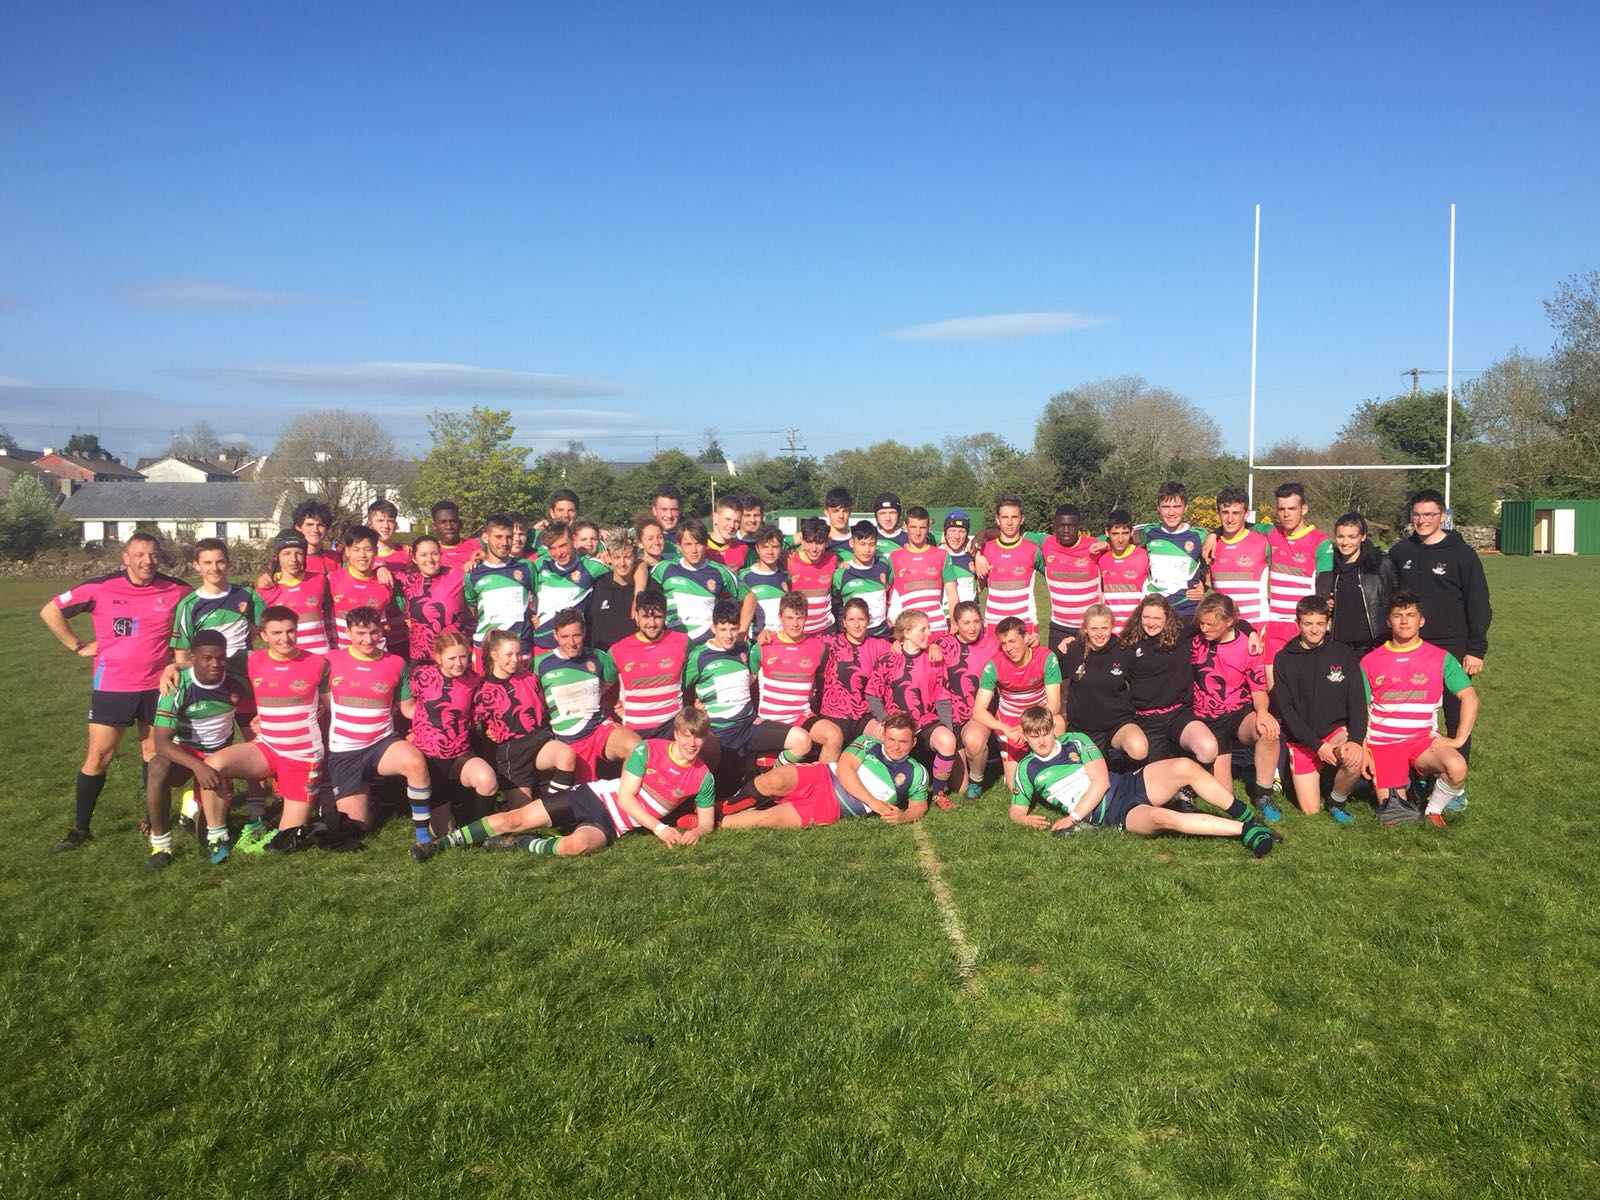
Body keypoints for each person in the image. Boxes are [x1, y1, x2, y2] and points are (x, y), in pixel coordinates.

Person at [42, 531, 193, 852]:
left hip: (158, 687)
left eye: (152, 555)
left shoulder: (177, 589)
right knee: (98, 757)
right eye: (139, 555)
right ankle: (81, 828)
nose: (147, 561)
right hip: (113, 687)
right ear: (125, 558)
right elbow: (50, 610)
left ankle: (152, 821)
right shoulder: (100, 587)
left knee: (153, 756)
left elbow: (199, 615)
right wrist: (78, 645)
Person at [426, 708, 715, 857]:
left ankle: (522, 844)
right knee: (513, 818)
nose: (692, 743)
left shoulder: (704, 777)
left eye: (698, 737)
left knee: (573, 848)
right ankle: (441, 845)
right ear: (677, 734)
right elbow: (626, 798)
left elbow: (707, 823)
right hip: (591, 797)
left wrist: (698, 833)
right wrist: (661, 828)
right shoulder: (649, 749)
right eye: (686, 735)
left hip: (611, 825)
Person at [1008, 708, 1274, 857]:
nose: (1041, 740)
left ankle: (1248, 816)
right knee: (1163, 818)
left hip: (1126, 784)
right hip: (1115, 813)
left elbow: (1101, 782)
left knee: (1185, 766)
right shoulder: (1026, 769)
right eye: (1034, 736)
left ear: (1054, 730)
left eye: (1045, 733)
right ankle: (1245, 830)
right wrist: (1024, 820)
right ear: (1026, 737)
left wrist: (1073, 818)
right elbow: (1016, 810)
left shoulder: (1075, 740)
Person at [206, 605, 329, 846]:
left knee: (286, 839)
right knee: (212, 766)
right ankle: (217, 836)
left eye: (291, 631)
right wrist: (173, 667)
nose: (285, 638)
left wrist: (321, 710)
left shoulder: (317, 662)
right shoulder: (251, 659)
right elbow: (210, 663)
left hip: (303, 755)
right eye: (277, 633)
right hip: (267, 746)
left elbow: (331, 705)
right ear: (263, 635)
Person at [1361, 591, 1478, 829]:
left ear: (1421, 620)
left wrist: (1459, 739)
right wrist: (1364, 747)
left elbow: (1470, 697)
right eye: (1398, 615)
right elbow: (1361, 709)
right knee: (1394, 818)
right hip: (1384, 744)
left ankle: (1433, 810)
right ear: (1388, 621)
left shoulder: (1440, 657)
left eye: (1411, 615)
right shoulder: (1370, 661)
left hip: (1421, 742)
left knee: (1457, 767)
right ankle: (1407, 784)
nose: (1404, 621)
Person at [1388, 488, 1490, 760]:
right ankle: (1415, 772)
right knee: (1409, 712)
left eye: (1429, 515)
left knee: (1455, 713)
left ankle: (1454, 783)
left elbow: (1478, 603)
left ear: (1442, 516)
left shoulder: (1462, 555)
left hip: (1451, 645)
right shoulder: (1400, 552)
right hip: (1411, 645)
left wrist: (1476, 649)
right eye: (1417, 515)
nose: (1422, 520)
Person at [323, 606, 433, 852]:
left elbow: (408, 708)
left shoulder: (395, 663)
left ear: (381, 631)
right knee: (359, 826)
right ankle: (373, 802)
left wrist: (438, 716)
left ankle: (424, 836)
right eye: (361, 632)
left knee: (415, 761)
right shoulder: (330, 660)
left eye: (373, 632)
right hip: (345, 751)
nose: (368, 639)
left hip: (382, 744)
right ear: (348, 631)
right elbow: (314, 697)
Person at [685, 600, 813, 796]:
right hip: (721, 733)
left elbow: (756, 670)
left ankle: (771, 779)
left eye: (733, 629)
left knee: (802, 741)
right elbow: (681, 689)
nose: (729, 635)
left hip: (750, 725)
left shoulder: (744, 648)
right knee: (727, 793)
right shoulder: (699, 656)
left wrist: (764, 634)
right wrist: (693, 708)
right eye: (723, 629)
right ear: (713, 628)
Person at [720, 712, 930, 831]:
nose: (895, 746)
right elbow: (845, 770)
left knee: (766, 819)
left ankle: (717, 822)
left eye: (903, 742)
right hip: (822, 776)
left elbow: (919, 806)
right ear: (883, 735)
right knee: (774, 778)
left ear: (913, 742)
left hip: (833, 807)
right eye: (891, 739)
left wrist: (903, 817)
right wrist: (873, 802)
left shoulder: (917, 772)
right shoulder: (867, 742)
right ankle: (720, 807)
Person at [147, 631, 243, 867]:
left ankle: (192, 803)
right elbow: (161, 743)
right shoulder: (177, 686)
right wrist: (198, 766)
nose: (215, 664)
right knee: (157, 766)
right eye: (207, 658)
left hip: (218, 758)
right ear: (192, 657)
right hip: (184, 755)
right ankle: (161, 845)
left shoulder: (235, 678)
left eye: (221, 658)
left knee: (204, 839)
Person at [1272, 597, 1367, 824]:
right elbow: (1287, 711)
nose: (1314, 630)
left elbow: (1357, 702)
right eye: (1308, 624)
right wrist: (1318, 746)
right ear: (1298, 623)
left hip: (1335, 731)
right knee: (1311, 811)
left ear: (1328, 623)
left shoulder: (1343, 654)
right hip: (1303, 740)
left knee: (1354, 757)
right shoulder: (1283, 659)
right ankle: (1307, 774)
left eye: (1320, 624)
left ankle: (1336, 800)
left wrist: (1355, 739)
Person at [1190, 592, 1281, 817]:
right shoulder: (1194, 638)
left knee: (1267, 731)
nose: (1204, 628)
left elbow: (1258, 689)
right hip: (1205, 718)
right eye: (1201, 622)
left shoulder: (1248, 646)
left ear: (1229, 622)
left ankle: (1263, 793)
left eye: (1211, 624)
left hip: (1237, 713)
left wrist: (1262, 713)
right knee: (1224, 799)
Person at [402, 631, 497, 834]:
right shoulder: (422, 676)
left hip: (459, 753)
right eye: (452, 658)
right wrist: (415, 730)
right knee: (444, 831)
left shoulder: (474, 680)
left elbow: (481, 711)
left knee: (487, 780)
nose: (458, 663)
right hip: (430, 759)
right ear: (438, 657)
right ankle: (449, 807)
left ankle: (479, 832)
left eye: (463, 656)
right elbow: (407, 707)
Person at [472, 628, 576, 807]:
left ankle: (553, 807)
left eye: (518, 654)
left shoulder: (529, 677)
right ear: (494, 655)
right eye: (509, 654)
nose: (516, 659)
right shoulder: (483, 690)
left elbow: (543, 707)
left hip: (538, 740)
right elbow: (473, 724)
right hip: (513, 753)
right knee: (524, 815)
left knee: (566, 755)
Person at [534, 609, 638, 782]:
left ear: (584, 632)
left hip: (599, 729)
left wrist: (620, 702)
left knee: (635, 746)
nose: (572, 642)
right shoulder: (541, 663)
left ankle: (625, 800)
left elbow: (613, 682)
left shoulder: (598, 657)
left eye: (576, 635)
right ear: (555, 635)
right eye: (565, 637)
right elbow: (532, 697)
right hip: (569, 741)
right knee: (586, 794)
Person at [868, 610, 959, 805]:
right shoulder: (888, 660)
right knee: (874, 740)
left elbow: (943, 697)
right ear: (906, 633)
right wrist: (883, 719)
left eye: (929, 629)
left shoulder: (934, 659)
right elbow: (873, 694)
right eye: (923, 629)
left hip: (924, 721)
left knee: (948, 741)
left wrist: (946, 727)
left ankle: (937, 792)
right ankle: (886, 788)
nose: (929, 634)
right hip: (895, 722)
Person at [967, 616, 1063, 791]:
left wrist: (1026, 726)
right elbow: (978, 711)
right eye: (1003, 643)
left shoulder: (1046, 657)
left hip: (1039, 717)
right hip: (1010, 725)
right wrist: (1004, 728)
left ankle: (1057, 767)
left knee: (1059, 723)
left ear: (1026, 638)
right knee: (1015, 788)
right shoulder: (994, 665)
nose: (1008, 648)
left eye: (1012, 641)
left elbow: (1054, 704)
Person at [1121, 595, 1216, 767]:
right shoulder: (1129, 642)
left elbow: (1219, 616)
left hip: (1179, 714)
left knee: (1208, 749)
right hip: (1147, 720)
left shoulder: (1183, 631)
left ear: (1167, 617)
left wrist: (1250, 632)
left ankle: (1187, 791)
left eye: (1157, 618)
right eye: (1146, 617)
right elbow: (1100, 645)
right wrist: (1071, 643)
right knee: (1156, 783)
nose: (1151, 623)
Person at [751, 592, 845, 762]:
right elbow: (746, 685)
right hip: (771, 719)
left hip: (801, 716)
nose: (795, 623)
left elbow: (823, 682)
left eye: (799, 618)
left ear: (806, 618)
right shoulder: (764, 645)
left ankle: (821, 783)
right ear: (780, 617)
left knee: (834, 735)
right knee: (781, 776)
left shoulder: (819, 647)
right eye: (789, 618)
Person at [1057, 602, 1149, 765]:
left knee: (1139, 748)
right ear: (1085, 628)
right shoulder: (1071, 650)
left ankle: (1129, 777)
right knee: (1093, 771)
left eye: (1104, 628)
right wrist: (1064, 717)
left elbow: (1139, 685)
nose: (1099, 634)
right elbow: (1062, 689)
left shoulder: (1123, 650)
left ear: (1112, 627)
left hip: (1118, 722)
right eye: (1094, 629)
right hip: (1084, 727)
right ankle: (1109, 759)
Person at [1259, 482, 1332, 665]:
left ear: (1304, 509)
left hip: (1301, 626)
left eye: (1292, 508)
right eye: (1281, 509)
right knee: (1274, 689)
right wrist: (1214, 534)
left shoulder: (1320, 542)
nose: (1286, 514)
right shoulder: (1270, 532)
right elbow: (1238, 525)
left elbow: (1322, 592)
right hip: (1274, 624)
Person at [936, 601, 1000, 798]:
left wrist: (1030, 639)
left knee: (973, 741)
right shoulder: (942, 645)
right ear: (955, 623)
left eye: (976, 622)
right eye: (966, 623)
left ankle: (977, 781)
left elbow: (1016, 648)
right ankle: (978, 768)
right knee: (958, 788)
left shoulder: (992, 644)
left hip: (977, 713)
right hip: (950, 716)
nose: (972, 628)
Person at [609, 589, 691, 739]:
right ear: (636, 617)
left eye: (657, 617)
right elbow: (603, 687)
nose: (652, 624)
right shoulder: (618, 650)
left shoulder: (683, 642)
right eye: (646, 616)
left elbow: (699, 673)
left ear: (665, 616)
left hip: (672, 727)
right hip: (635, 732)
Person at [1314, 512, 1398, 655]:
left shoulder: (1380, 563)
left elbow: (1395, 599)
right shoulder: (1330, 565)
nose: (1345, 542)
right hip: (1338, 647)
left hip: (1373, 646)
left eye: (1352, 537)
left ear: (1363, 536)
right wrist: (1326, 605)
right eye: (1341, 536)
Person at [651, 518, 742, 644]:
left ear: (705, 544)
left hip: (707, 646)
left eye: (698, 543)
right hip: (672, 644)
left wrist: (742, 630)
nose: (694, 550)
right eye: (688, 544)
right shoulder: (663, 568)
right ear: (679, 546)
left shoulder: (720, 571)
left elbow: (749, 598)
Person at [818, 596, 891, 747]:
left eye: (861, 619)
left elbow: (906, 648)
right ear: (844, 622)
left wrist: (933, 648)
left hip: (863, 716)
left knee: (886, 737)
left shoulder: (879, 645)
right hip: (833, 715)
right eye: (851, 620)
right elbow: (800, 642)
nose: (856, 625)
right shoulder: (830, 642)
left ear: (868, 620)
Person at [530, 520, 609, 655]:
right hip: (542, 646)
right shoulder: (538, 566)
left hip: (573, 647)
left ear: (573, 540)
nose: (558, 553)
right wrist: (529, 615)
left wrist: (608, 556)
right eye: (552, 549)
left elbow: (633, 567)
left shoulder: (591, 567)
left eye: (563, 545)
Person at [465, 512, 536, 657]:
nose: (505, 543)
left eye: (509, 537)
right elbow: (471, 609)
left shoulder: (526, 567)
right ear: (485, 537)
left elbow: (539, 596)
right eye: (498, 537)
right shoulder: (472, 574)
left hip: (519, 649)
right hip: (487, 650)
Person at [396, 534, 472, 663]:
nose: (429, 559)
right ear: (414, 558)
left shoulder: (459, 575)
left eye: (434, 554)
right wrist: (381, 569)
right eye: (423, 555)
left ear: (441, 555)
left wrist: (479, 560)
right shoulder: (406, 579)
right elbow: (373, 570)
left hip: (455, 659)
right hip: (421, 658)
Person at [1138, 481, 1208, 622]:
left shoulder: (1200, 536)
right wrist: (1105, 543)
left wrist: (1203, 587)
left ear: (1185, 507)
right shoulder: (1149, 532)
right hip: (1155, 612)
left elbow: (1212, 569)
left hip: (1187, 611)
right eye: (1166, 507)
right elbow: (1121, 542)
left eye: (1177, 506)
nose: (1171, 512)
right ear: (1158, 508)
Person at [257, 529, 332, 656]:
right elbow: (261, 629)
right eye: (286, 553)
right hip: (286, 657)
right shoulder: (266, 587)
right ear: (276, 556)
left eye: (299, 553)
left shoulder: (320, 580)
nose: (293, 559)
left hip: (320, 655)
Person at [1039, 504, 1102, 652]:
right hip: (1058, 628)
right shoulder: (1047, 543)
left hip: (1089, 628)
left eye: (1071, 526)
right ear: (1055, 526)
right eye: (1061, 525)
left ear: (1079, 525)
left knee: (1089, 674)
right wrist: (982, 535)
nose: (1066, 530)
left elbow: (1121, 536)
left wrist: (1108, 543)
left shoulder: (1094, 544)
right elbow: (1012, 533)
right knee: (1058, 675)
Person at [887, 506, 959, 634]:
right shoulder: (894, 557)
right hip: (909, 632)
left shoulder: (942, 555)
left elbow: (952, 593)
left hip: (937, 628)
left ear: (928, 528)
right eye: (913, 527)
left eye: (922, 527)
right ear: (905, 526)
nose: (918, 532)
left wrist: (954, 623)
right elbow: (884, 590)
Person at [1207, 487, 1271, 628]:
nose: (1230, 519)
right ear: (1218, 513)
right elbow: (1204, 583)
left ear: (1246, 513)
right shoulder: (1211, 545)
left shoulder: (1263, 542)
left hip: (1257, 622)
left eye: (1236, 513)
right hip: (1223, 626)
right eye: (1225, 512)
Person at [977, 494, 1042, 634]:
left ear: (1022, 519)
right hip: (993, 626)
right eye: (1005, 517)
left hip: (1024, 626)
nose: (1010, 522)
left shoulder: (1033, 550)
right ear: (997, 520)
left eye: (1014, 517)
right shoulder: (985, 550)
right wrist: (977, 555)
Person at [329, 525, 401, 650]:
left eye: (368, 549)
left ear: (376, 551)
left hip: (376, 654)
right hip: (342, 655)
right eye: (356, 549)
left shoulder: (385, 582)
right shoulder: (332, 579)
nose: (362, 555)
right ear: (347, 551)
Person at [833, 520, 892, 638]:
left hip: (882, 635)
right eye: (862, 544)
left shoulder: (883, 565)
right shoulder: (841, 574)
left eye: (872, 544)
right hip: (855, 637)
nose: (867, 550)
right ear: (851, 543)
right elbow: (834, 604)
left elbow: (890, 589)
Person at [1098, 509, 1152, 633]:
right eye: (1115, 533)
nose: (1120, 539)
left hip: (1137, 630)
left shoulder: (1144, 556)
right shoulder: (1102, 559)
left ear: (1132, 532)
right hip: (1110, 631)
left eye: (1125, 533)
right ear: (1107, 532)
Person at [786, 517, 840, 636]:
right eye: (809, 542)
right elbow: (774, 542)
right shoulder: (790, 560)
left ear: (827, 542)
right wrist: (792, 539)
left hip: (826, 629)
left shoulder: (832, 559)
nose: (814, 549)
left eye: (819, 543)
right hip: (800, 630)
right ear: (802, 541)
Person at [586, 535, 639, 650]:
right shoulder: (598, 585)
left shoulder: (646, 586)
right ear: (609, 558)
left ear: (635, 558)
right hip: (603, 657)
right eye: (617, 557)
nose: (622, 563)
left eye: (627, 557)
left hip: (635, 657)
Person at [738, 522, 790, 636]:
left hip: (780, 637)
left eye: (775, 547)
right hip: (755, 639)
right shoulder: (744, 576)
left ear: (781, 548)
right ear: (757, 548)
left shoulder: (786, 576)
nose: (770, 552)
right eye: (765, 547)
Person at [290, 499, 342, 576]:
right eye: (309, 524)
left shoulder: (335, 558)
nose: (315, 530)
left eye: (320, 525)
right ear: (298, 527)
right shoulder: (291, 560)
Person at [431, 500, 483, 571]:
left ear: (460, 523)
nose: (449, 526)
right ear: (434, 526)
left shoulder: (476, 545)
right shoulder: (429, 554)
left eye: (453, 521)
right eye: (443, 522)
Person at [940, 510, 978, 607]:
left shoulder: (974, 556)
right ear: (945, 533)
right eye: (952, 531)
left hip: (968, 617)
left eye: (962, 531)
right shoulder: (936, 555)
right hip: (943, 617)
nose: (957, 536)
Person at [705, 495, 750, 571]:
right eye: (728, 519)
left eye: (737, 521)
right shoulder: (699, 547)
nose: (732, 525)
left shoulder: (743, 549)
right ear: (715, 517)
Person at [365, 498, 411, 569]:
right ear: (370, 524)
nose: (386, 526)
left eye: (390, 521)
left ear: (395, 524)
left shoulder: (407, 554)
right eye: (380, 521)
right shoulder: (362, 557)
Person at [822, 486, 855, 555]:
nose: (841, 516)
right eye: (835, 511)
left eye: (845, 511)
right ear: (826, 512)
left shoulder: (861, 541)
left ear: (850, 512)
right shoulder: (817, 541)